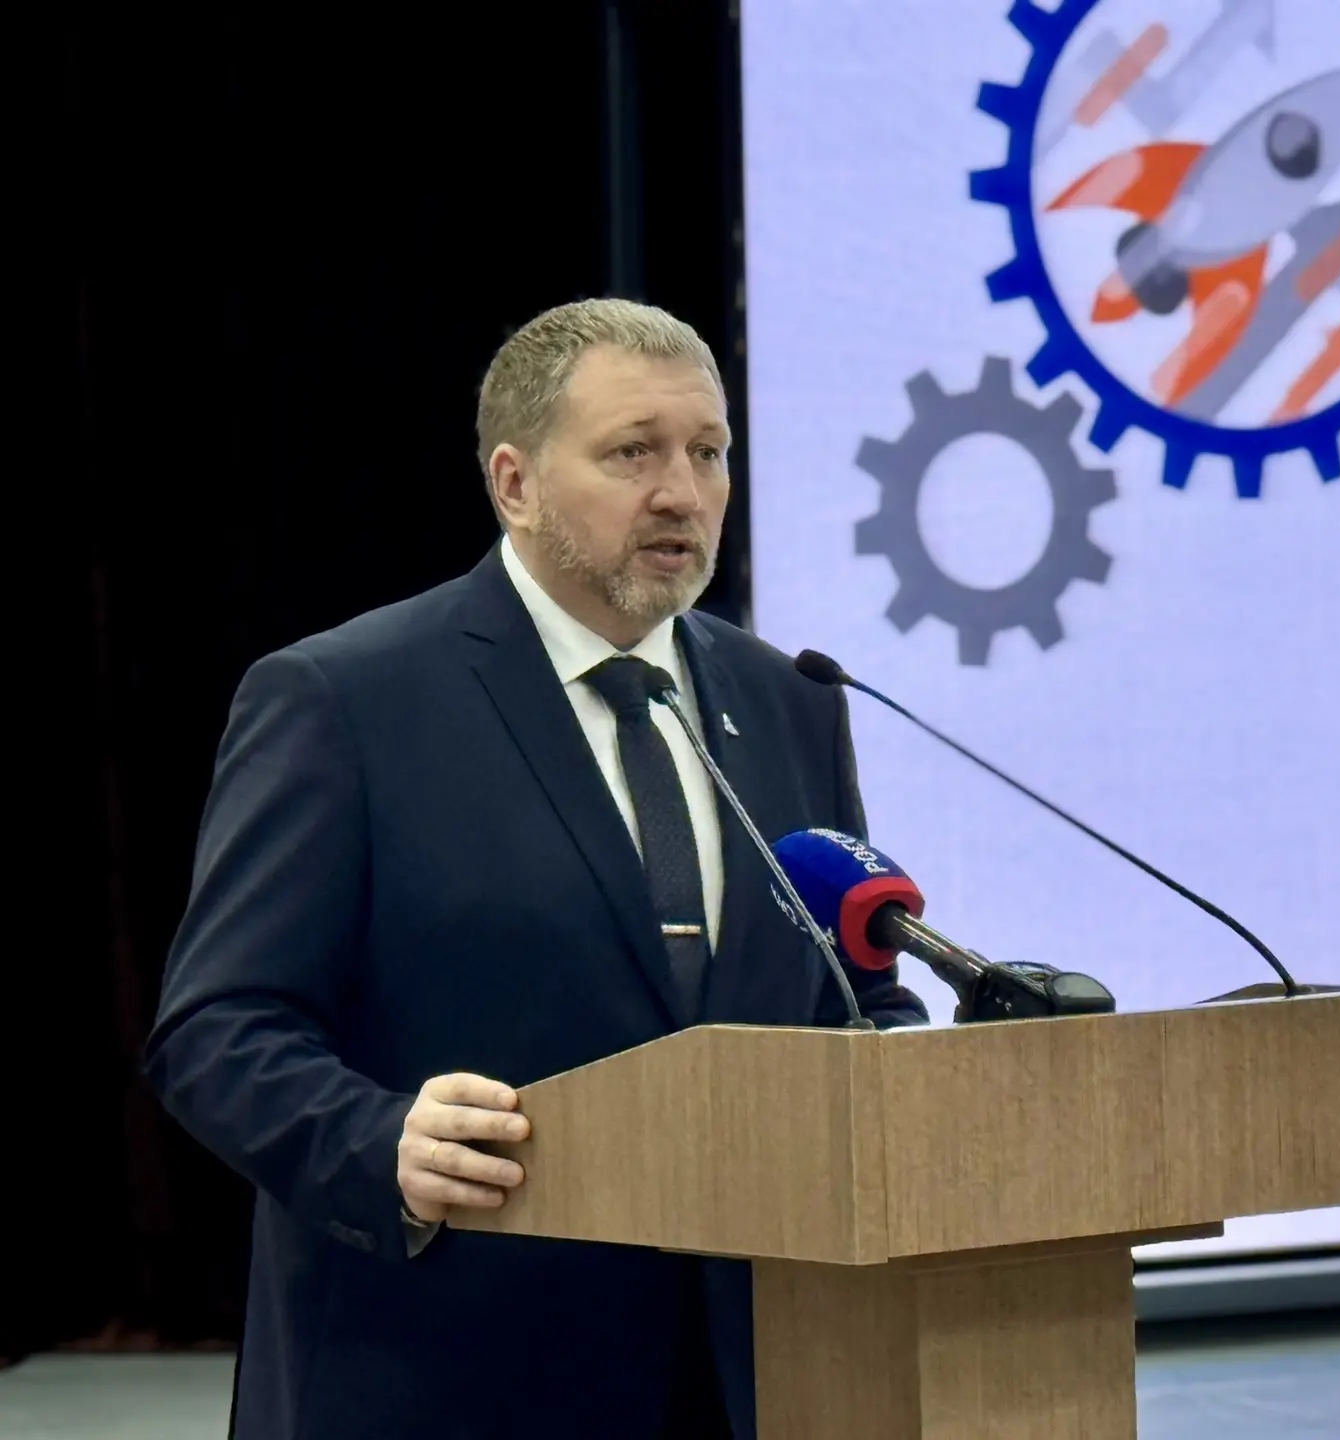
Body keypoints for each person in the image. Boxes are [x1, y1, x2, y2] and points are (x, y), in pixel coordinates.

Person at [146, 299, 927, 1439]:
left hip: (750, 1375)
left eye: (709, 452)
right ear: (514, 484)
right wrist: (378, 1143)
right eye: (634, 453)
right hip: (441, 1376)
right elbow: (215, 1031)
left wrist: (913, 1078)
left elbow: (849, 990)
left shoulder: (787, 701)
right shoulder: (347, 701)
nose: (683, 493)